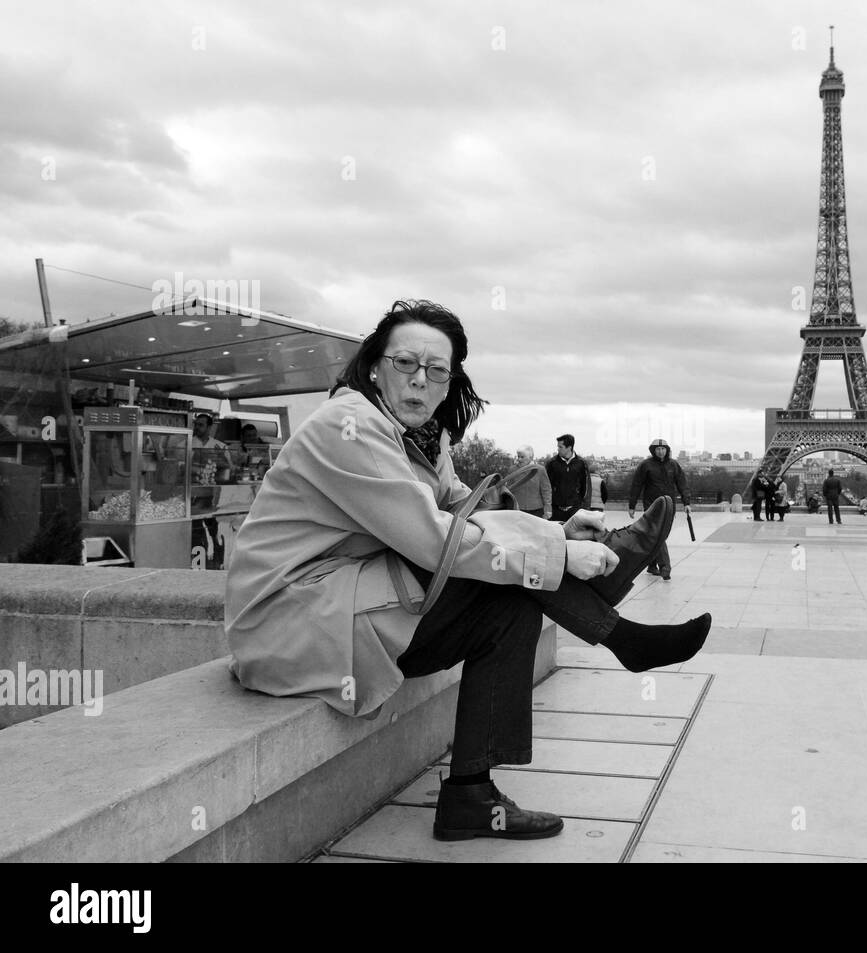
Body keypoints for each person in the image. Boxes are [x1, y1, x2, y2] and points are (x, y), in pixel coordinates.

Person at [224, 300, 711, 843]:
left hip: (347, 608)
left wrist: (561, 530)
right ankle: (621, 634)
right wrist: (555, 551)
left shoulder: (422, 438)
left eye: (437, 371)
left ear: (450, 380)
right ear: (374, 365)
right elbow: (436, 541)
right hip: (290, 623)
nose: (420, 381)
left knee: (509, 600)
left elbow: (466, 510)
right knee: (503, 576)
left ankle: (471, 797)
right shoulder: (348, 427)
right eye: (406, 363)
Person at [629, 438, 690, 581]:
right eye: (658, 449)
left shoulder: (673, 465)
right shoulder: (645, 465)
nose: (661, 451)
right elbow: (637, 485)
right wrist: (632, 505)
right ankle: (665, 568)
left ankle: (651, 565)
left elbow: (682, 484)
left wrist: (687, 503)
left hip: (669, 505)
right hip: (652, 505)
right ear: (653, 450)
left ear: (667, 450)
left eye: (663, 449)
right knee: (659, 536)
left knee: (660, 536)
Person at [546, 434, 590, 524]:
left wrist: (583, 507)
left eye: (560, 447)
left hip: (575, 509)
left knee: (574, 537)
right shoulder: (552, 463)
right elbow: (546, 486)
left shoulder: (581, 463)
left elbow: (586, 487)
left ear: (569, 447)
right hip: (555, 510)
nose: (558, 449)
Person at [510, 446, 551, 518]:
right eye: (518, 456)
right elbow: (508, 490)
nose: (519, 459)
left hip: (536, 510)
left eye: (522, 457)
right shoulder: (512, 469)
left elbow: (546, 490)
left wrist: (548, 509)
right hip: (517, 509)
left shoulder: (540, 469)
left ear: (531, 457)